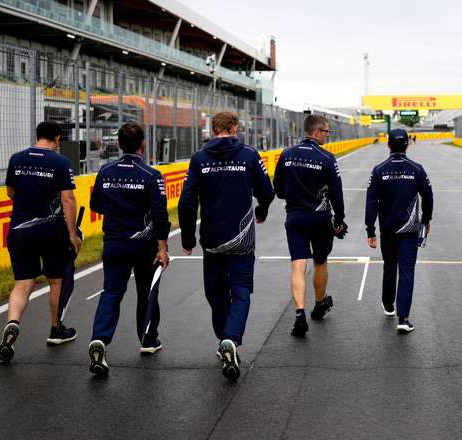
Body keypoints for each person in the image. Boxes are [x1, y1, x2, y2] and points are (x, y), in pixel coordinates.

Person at [179, 111, 274, 381]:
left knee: (215, 293)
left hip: (212, 238)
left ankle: (224, 340)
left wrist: (187, 238)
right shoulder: (249, 154)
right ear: (233, 128)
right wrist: (262, 210)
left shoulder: (199, 158)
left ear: (214, 129)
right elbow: (267, 190)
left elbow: (187, 202)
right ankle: (230, 339)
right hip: (242, 237)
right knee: (241, 292)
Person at [86, 123, 170, 376]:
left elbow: (96, 205)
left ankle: (100, 338)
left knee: (111, 291)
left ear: (119, 144)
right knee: (146, 291)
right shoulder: (152, 174)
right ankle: (147, 340)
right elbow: (160, 214)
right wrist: (162, 247)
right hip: (143, 244)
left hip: (114, 242)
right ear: (142, 144)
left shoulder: (105, 171)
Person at [0, 121, 80, 362]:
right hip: (51, 231)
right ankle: (56, 329)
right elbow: (68, 200)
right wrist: (72, 233)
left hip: (19, 229)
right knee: (55, 280)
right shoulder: (60, 162)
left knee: (23, 283)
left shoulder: (17, 158)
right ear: (56, 138)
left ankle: (12, 323)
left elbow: (10, 192)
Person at [274, 114, 347, 338]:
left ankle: (299, 314)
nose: (328, 135)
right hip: (320, 217)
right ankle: (318, 304)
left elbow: (278, 189)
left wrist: (295, 195)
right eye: (326, 131)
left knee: (298, 265)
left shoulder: (286, 155)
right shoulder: (326, 157)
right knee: (320, 261)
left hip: (295, 216)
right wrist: (340, 219)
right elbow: (336, 192)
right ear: (316, 132)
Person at [365, 129, 433, 333]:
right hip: (409, 229)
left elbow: (371, 202)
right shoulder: (417, 169)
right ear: (408, 144)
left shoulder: (378, 170)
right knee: (406, 270)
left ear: (388, 145)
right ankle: (403, 318)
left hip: (387, 229)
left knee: (389, 265)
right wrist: (426, 220)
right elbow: (428, 197)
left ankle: (388, 304)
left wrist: (370, 230)